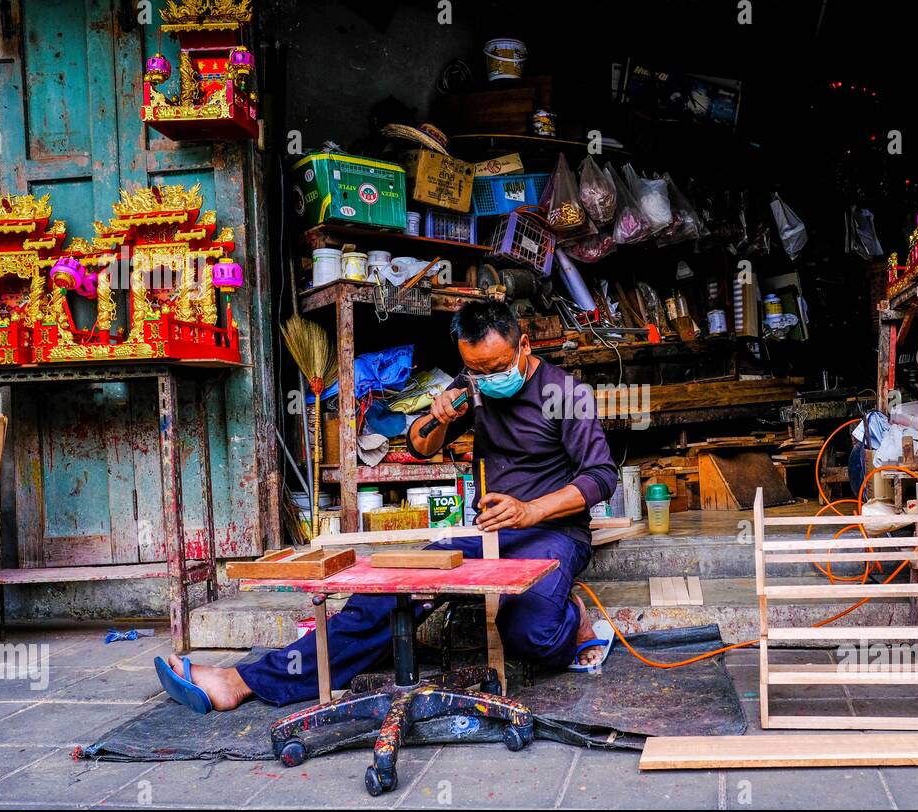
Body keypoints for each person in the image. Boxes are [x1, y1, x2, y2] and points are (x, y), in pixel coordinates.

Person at [156, 301, 619, 711]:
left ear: (523, 347)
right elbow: (419, 446)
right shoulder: (473, 384)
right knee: (383, 598)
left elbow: (601, 476)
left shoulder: (566, 394)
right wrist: (437, 419)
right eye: (476, 370)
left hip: (553, 533)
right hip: (487, 533)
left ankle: (574, 617)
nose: (488, 379)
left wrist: (530, 511)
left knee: (531, 634)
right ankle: (241, 680)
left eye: (497, 366)